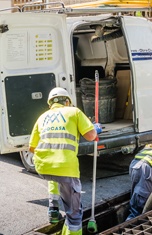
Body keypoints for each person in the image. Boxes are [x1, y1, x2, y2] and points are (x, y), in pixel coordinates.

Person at [29, 87, 101, 235]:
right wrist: (95, 128)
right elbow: (91, 136)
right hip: (66, 169)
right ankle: (72, 227)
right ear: (67, 102)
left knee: (54, 174)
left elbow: (31, 148)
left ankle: (53, 210)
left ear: (50, 105)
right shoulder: (74, 111)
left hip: (42, 167)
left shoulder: (42, 117)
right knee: (75, 215)